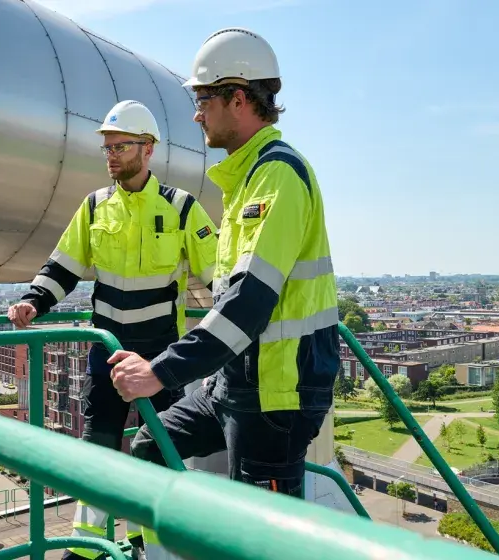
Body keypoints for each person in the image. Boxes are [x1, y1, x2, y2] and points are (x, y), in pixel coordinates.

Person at [108, 28, 341, 558]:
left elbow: (247, 305)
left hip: (277, 394)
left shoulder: (277, 176)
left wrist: (160, 371)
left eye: (203, 100)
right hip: (235, 382)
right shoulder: (246, 182)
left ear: (239, 99)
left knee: (257, 538)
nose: (196, 115)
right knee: (149, 446)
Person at [7, 100, 219, 560]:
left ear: (147, 150)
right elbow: (63, 264)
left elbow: (219, 275)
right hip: (106, 352)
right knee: (98, 451)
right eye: (107, 147)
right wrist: (33, 301)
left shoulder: (182, 208)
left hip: (162, 359)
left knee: (159, 448)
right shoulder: (94, 206)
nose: (111, 155)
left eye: (121, 146)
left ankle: (152, 545)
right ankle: (87, 551)